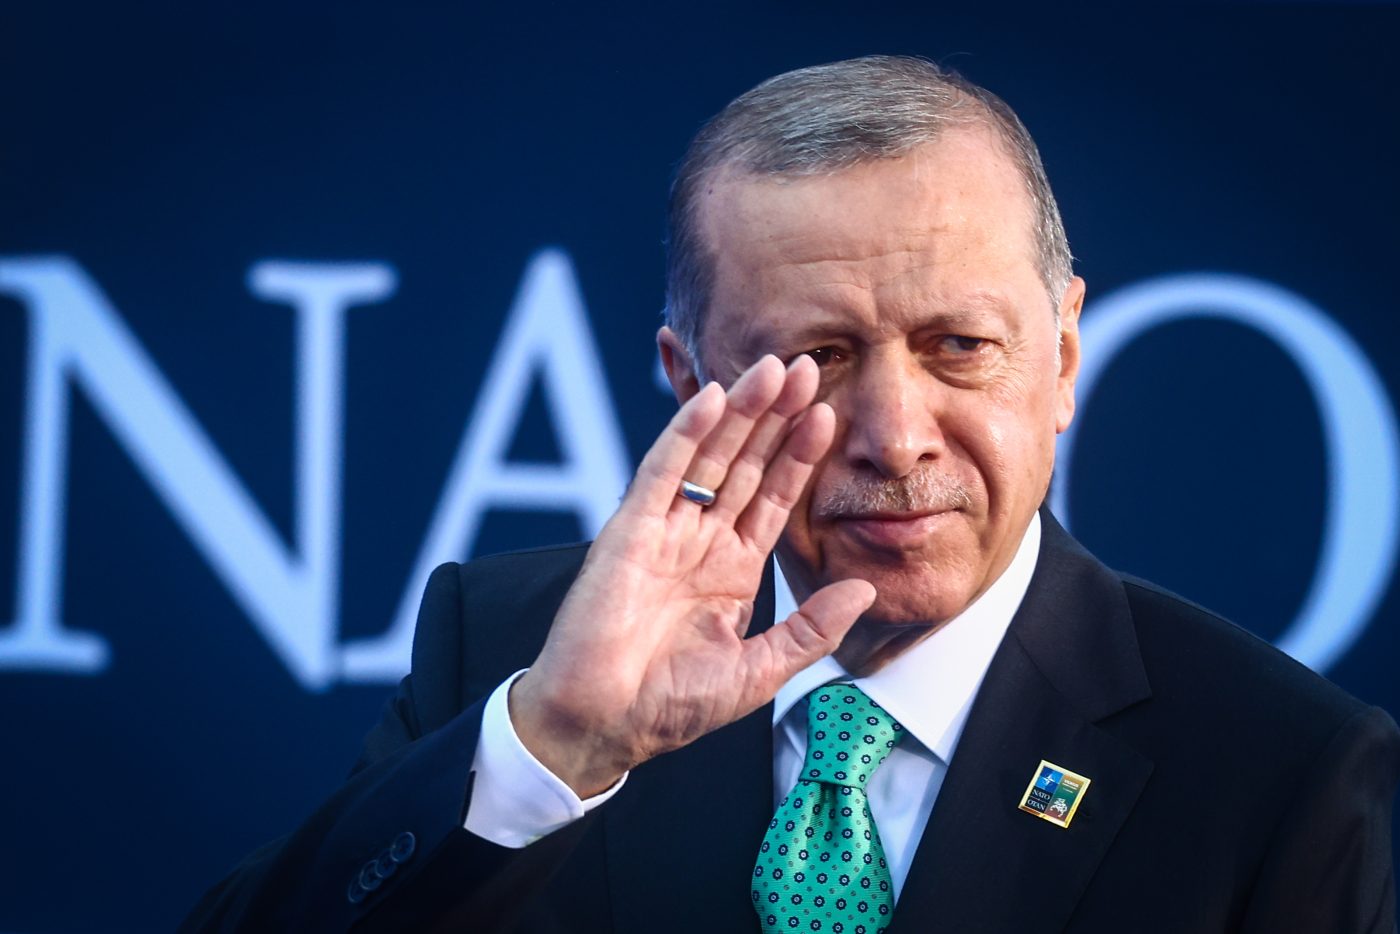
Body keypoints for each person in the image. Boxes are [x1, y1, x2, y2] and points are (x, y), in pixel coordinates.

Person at [184, 55, 1400, 933]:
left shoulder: (1277, 772)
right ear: (689, 382)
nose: (893, 435)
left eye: (958, 346)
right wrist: (553, 746)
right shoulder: (514, 654)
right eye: (815, 359)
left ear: (1063, 357)